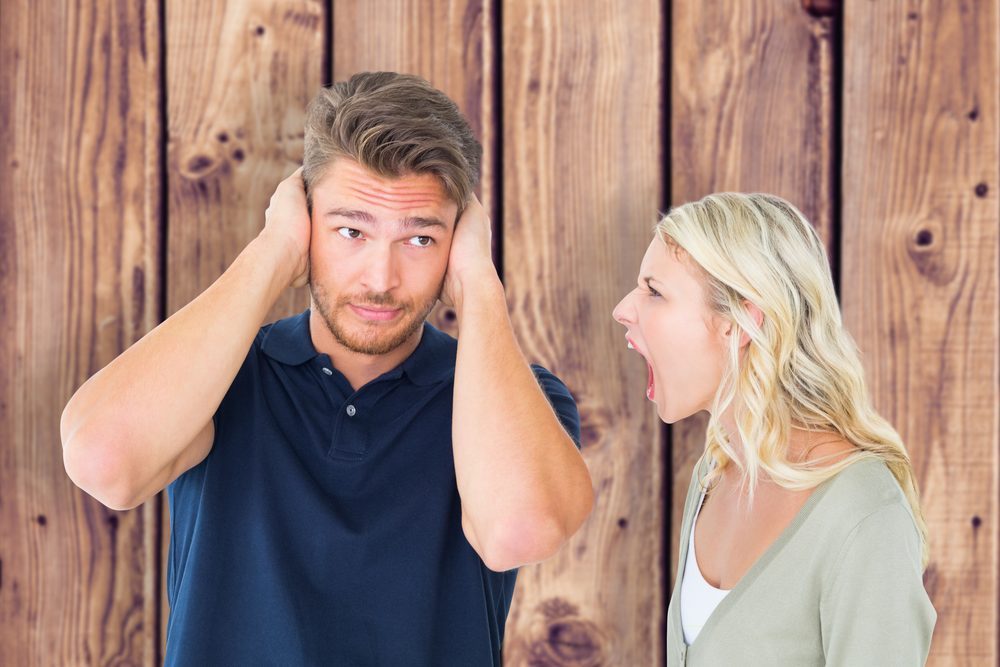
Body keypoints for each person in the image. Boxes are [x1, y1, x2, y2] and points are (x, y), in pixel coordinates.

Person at [61, 71, 594, 666]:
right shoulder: (221, 376)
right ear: (306, 219)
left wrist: (481, 290)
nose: (380, 279)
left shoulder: (524, 400)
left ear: (458, 244)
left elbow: (515, 533)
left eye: (419, 240)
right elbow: (105, 465)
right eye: (350, 230)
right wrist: (273, 250)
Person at [612, 193, 936, 666]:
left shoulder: (863, 512)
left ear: (739, 323)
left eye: (654, 291)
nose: (623, 308)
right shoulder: (714, 475)